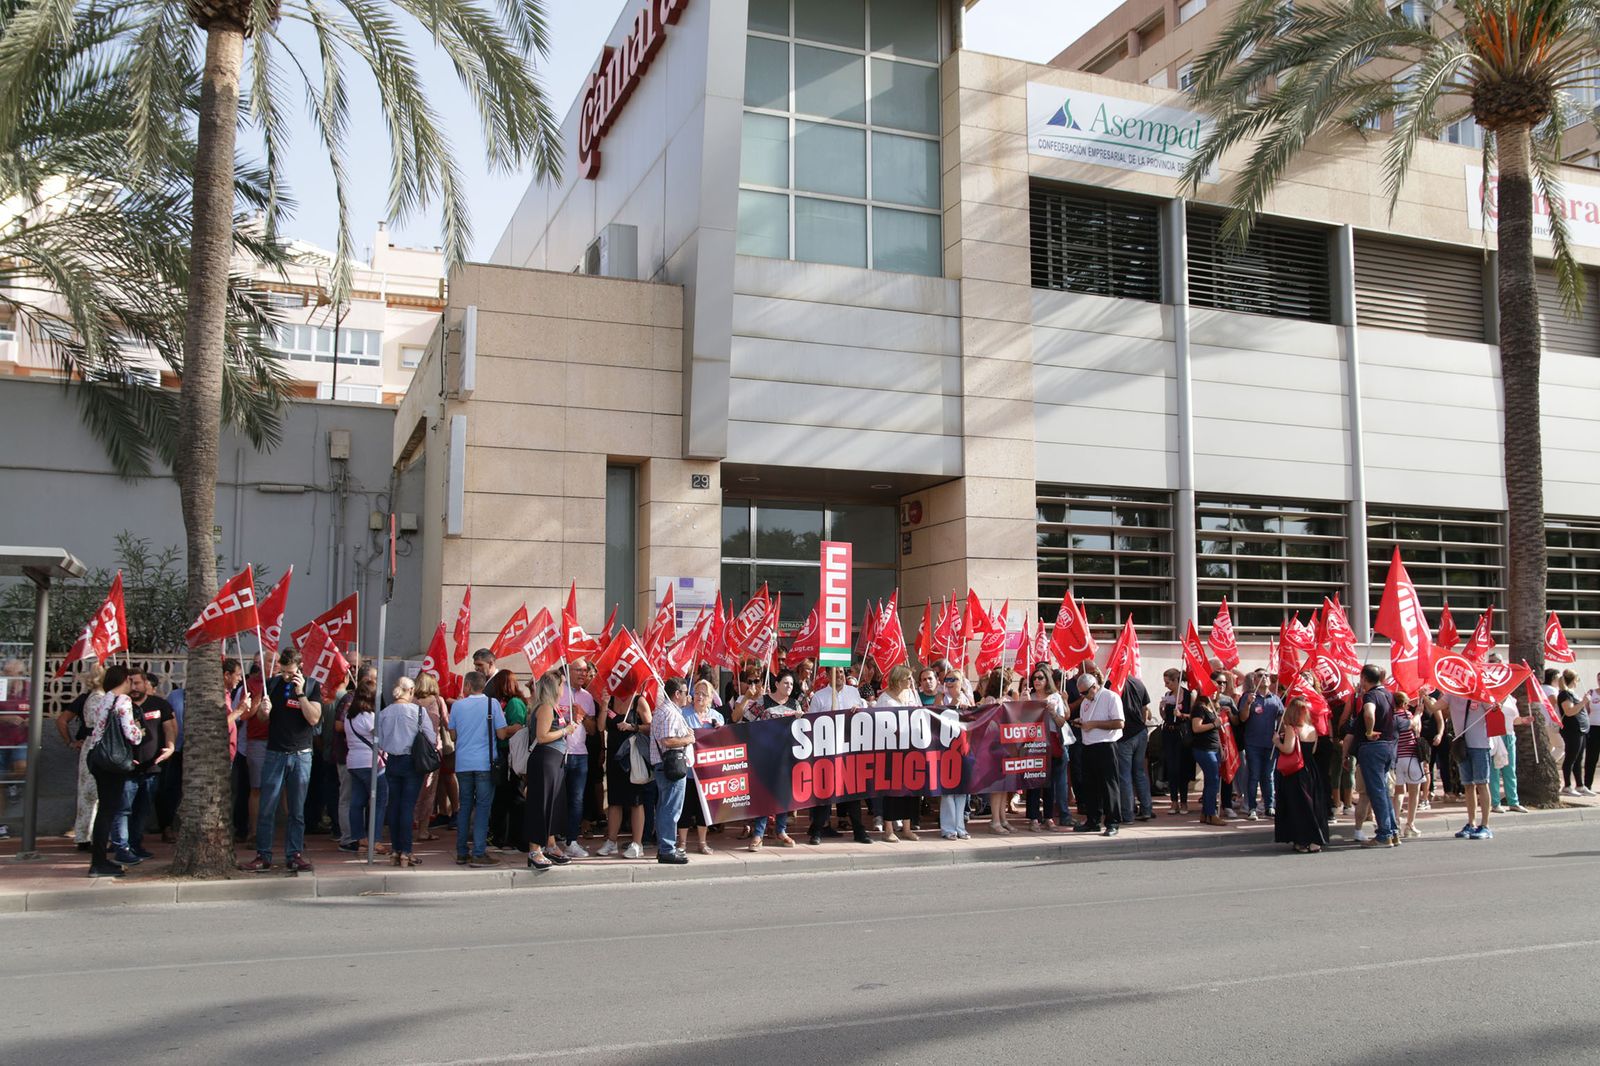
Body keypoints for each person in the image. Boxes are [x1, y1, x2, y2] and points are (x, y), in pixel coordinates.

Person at [241, 648, 320, 872]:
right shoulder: (273, 685)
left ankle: (294, 854)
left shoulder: (312, 686)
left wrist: (301, 693)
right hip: (275, 753)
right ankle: (263, 854)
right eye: (283, 671)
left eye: (290, 672)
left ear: (300, 668)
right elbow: (262, 719)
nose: (286, 676)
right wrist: (264, 710)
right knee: (267, 807)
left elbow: (314, 718)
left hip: (301, 754)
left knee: (296, 809)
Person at [83, 665, 142, 877]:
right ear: (125, 679)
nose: (132, 685)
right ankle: (98, 863)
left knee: (104, 810)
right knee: (108, 811)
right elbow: (131, 734)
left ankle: (99, 860)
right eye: (131, 681)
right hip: (113, 760)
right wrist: (139, 731)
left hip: (98, 757)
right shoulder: (124, 701)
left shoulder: (105, 698)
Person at [806, 666, 872, 845]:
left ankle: (859, 831)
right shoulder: (819, 697)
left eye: (842, 672)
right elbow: (811, 723)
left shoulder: (854, 693)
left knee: (853, 792)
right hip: (827, 751)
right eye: (835, 673)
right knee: (825, 792)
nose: (840, 675)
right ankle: (817, 831)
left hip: (850, 749)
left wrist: (859, 709)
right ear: (828, 675)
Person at [448, 670, 508, 866]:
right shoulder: (493, 704)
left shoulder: (457, 706)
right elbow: (501, 734)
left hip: (463, 763)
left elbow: (453, 736)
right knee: (483, 808)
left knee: (464, 806)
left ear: (467, 686)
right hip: (484, 763)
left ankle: (461, 851)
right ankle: (479, 852)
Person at [376, 676, 436, 868]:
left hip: (392, 760)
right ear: (410, 691)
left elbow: (381, 741)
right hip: (412, 762)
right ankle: (406, 852)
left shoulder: (385, 713)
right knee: (407, 807)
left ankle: (395, 850)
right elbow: (431, 737)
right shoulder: (418, 711)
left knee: (393, 805)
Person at [524, 672, 577, 869]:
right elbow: (543, 736)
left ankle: (550, 844)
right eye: (562, 685)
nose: (564, 689)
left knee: (553, 804)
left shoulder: (551, 707)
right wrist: (565, 731)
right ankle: (534, 850)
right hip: (545, 760)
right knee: (541, 804)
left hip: (554, 761)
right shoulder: (545, 707)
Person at [122, 669, 176, 861]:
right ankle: (122, 846)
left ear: (146, 684)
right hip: (126, 768)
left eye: (137, 683)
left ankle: (136, 844)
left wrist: (170, 747)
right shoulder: (121, 705)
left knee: (142, 810)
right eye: (130, 683)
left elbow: (170, 728)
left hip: (152, 767)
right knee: (124, 809)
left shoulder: (159, 704)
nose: (134, 688)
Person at [1429, 686, 1493, 841]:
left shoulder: (1480, 692)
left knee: (1482, 784)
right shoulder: (1451, 694)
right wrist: (1425, 695)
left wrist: (1495, 703)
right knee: (1468, 785)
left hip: (1480, 745)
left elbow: (1493, 711)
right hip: (1461, 746)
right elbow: (1433, 707)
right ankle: (1471, 823)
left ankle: (1485, 826)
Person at [748, 670, 801, 849]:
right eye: (786, 683)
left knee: (783, 795)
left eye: (792, 684)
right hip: (765, 755)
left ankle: (781, 831)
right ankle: (758, 834)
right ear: (776, 684)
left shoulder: (796, 705)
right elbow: (745, 721)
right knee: (765, 794)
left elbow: (805, 729)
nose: (789, 687)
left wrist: (801, 719)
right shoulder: (763, 701)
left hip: (787, 757)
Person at [872, 665, 923, 842]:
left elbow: (920, 715)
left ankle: (907, 827)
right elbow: (877, 723)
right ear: (898, 679)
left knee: (909, 788)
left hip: (910, 747)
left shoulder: (912, 695)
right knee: (891, 790)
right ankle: (888, 828)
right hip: (891, 749)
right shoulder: (884, 699)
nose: (911, 681)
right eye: (908, 678)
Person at [340, 666, 388, 855]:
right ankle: (375, 840)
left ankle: (359, 837)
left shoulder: (349, 717)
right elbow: (380, 738)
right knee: (380, 799)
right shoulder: (369, 717)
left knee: (357, 801)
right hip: (370, 763)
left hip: (353, 762)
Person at [1070, 672, 1124, 836]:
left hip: (1106, 745)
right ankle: (1093, 820)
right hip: (1089, 745)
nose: (1084, 696)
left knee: (1109, 785)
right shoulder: (1086, 701)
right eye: (1082, 693)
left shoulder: (1110, 697)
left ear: (1094, 686)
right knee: (1090, 786)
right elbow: (1088, 721)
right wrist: (1082, 722)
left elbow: (1119, 723)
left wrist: (1094, 724)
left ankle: (1112, 822)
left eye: (1086, 692)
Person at [57, 665, 104, 851]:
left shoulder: (91, 698)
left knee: (87, 793)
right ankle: (88, 836)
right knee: (92, 793)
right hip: (94, 747)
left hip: (88, 747)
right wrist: (70, 742)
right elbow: (61, 720)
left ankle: (84, 834)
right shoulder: (94, 700)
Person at [599, 692, 651, 858]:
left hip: (632, 757)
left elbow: (650, 726)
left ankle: (637, 844)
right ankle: (611, 841)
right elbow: (601, 727)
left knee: (635, 800)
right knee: (614, 800)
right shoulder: (612, 700)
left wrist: (632, 727)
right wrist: (604, 706)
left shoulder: (638, 701)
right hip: (615, 755)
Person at [1353, 665, 1400, 849]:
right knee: (1383, 792)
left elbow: (1369, 712)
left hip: (1373, 747)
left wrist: (1369, 730)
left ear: (1364, 678)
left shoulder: (1371, 695)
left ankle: (1384, 834)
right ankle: (1392, 831)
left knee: (1377, 792)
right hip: (1388, 746)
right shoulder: (1388, 694)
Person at [1273, 697, 1327, 853]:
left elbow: (1288, 749)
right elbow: (1314, 750)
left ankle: (1302, 841)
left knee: (1298, 806)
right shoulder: (1312, 728)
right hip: (1311, 770)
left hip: (1295, 772)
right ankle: (1315, 840)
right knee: (1312, 805)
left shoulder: (1291, 728)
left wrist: (1277, 741)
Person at [676, 680, 724, 855]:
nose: (700, 696)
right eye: (697, 693)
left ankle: (702, 843)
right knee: (685, 808)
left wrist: (720, 731)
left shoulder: (717, 717)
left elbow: (723, 742)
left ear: (711, 698)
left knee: (704, 809)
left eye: (704, 694)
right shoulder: (683, 714)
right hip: (687, 771)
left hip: (707, 773)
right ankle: (682, 843)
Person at [650, 678, 695, 865]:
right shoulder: (669, 712)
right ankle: (667, 849)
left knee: (665, 807)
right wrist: (688, 739)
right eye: (685, 692)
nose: (688, 696)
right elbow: (667, 740)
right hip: (670, 765)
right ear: (677, 694)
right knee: (670, 809)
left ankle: (665, 848)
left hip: (666, 765)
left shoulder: (666, 711)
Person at [558, 660, 598, 857]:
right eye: (579, 670)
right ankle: (551, 840)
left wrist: (584, 716)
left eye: (585, 671)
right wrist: (566, 718)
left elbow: (592, 730)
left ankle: (571, 840)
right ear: (568, 671)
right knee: (556, 798)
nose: (583, 674)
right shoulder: (558, 691)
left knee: (577, 800)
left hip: (580, 754)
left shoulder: (588, 697)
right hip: (558, 752)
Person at [486, 669, 528, 852]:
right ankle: (502, 836)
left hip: (511, 756)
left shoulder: (515, 703)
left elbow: (518, 726)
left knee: (512, 797)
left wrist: (501, 730)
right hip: (504, 754)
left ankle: (513, 837)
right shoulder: (503, 703)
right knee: (503, 797)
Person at [1028, 666, 1070, 830]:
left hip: (1051, 741)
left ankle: (1048, 817)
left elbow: (1061, 722)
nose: (1036, 681)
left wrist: (1052, 712)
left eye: (1040, 678)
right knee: (1033, 781)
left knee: (1049, 782)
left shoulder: (1055, 697)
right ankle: (1033, 817)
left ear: (1047, 680)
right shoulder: (1029, 697)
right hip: (1033, 742)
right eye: (1035, 678)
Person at [1239, 670, 1283, 821]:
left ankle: (1269, 806)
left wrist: (1280, 734)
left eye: (1266, 675)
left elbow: (1282, 719)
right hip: (1253, 744)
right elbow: (1243, 718)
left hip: (1270, 745)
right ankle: (1252, 807)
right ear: (1255, 680)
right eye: (1260, 676)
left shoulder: (1275, 698)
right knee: (1254, 776)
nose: (1264, 678)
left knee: (1268, 776)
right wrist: (1247, 704)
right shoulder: (1248, 697)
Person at [411, 671, 448, 841]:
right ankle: (423, 830)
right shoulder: (438, 701)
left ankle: (410, 823)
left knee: (412, 788)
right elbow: (448, 724)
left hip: (412, 749)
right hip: (432, 750)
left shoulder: (411, 701)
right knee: (429, 790)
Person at [1115, 668, 1154, 823]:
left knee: (1124, 775)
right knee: (1139, 772)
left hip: (1125, 735)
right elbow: (1145, 709)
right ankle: (1146, 809)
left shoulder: (1114, 684)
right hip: (1140, 732)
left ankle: (1128, 814)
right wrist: (1142, 725)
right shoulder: (1138, 683)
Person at [1392, 692, 1426, 839]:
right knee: (1414, 792)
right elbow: (1417, 730)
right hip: (1411, 756)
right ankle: (1410, 824)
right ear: (1405, 704)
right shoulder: (1407, 715)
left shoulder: (1390, 717)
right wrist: (1418, 713)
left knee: (1398, 792)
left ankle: (1396, 822)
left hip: (1397, 758)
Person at [1159, 669, 1193, 815]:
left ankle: (1184, 801)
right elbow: (1164, 716)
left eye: (1168, 682)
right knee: (1171, 768)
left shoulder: (1188, 694)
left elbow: (1194, 715)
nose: (1166, 686)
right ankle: (1174, 801)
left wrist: (1181, 714)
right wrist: (1161, 709)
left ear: (1176, 680)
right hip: (1169, 733)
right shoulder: (1168, 695)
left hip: (1182, 733)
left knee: (1182, 768)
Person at [1187, 692, 1223, 826]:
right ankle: (1211, 813)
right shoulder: (1199, 708)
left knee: (1211, 781)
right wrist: (1214, 724)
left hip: (1214, 748)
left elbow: (1216, 731)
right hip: (1204, 749)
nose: (1215, 691)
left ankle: (1206, 813)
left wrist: (1220, 747)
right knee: (1213, 780)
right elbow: (1196, 728)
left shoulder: (1211, 707)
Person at [158, 678, 185, 842]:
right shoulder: (175, 696)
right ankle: (167, 826)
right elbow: (168, 721)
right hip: (176, 750)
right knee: (171, 789)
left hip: (200, 753)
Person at [1557, 668, 1589, 796]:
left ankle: (1580, 785)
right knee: (1571, 757)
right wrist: (1584, 702)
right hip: (1572, 730)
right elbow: (1569, 711)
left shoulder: (1572, 693)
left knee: (1578, 758)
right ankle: (1567, 786)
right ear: (1573, 680)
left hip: (1580, 730)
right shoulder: (1565, 694)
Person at [1584, 671, 1600, 794]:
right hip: (1593, 729)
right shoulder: (1591, 693)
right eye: (1599, 679)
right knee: (1591, 758)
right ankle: (1587, 786)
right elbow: (1586, 711)